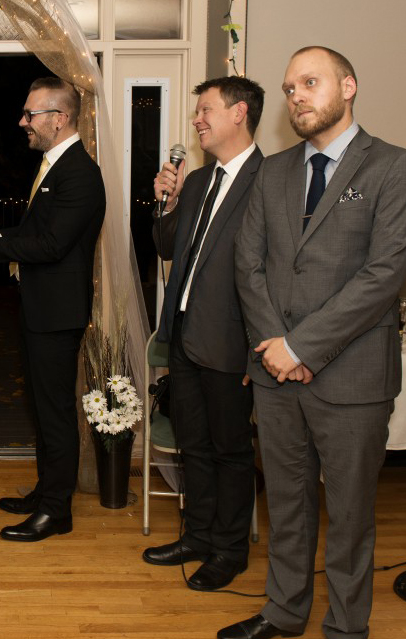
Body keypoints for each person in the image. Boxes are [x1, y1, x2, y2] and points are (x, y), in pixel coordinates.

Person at [225, 47, 406, 639]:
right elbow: (248, 264)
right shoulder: (274, 171)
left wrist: (302, 348)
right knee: (286, 508)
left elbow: (383, 276)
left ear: (349, 86)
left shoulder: (394, 165)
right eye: (290, 89)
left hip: (353, 379)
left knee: (351, 517)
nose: (297, 97)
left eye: (310, 83)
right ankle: (284, 613)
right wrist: (276, 347)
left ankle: (345, 627)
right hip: (275, 376)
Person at [0, 77, 105, 542]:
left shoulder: (79, 172)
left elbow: (53, 245)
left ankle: (57, 511)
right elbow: (35, 231)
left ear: (59, 119)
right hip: (43, 308)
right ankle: (46, 493)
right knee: (42, 409)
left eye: (30, 114)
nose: (23, 122)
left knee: (55, 412)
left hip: (58, 313)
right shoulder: (55, 165)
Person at [142, 76, 265, 591]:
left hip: (234, 342)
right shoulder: (195, 181)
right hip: (185, 337)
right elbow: (168, 247)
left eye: (206, 109)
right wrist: (166, 203)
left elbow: (276, 273)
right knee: (192, 445)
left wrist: (259, 351)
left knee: (230, 452)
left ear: (239, 113)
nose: (197, 120)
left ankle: (230, 550)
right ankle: (196, 535)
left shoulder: (268, 180)